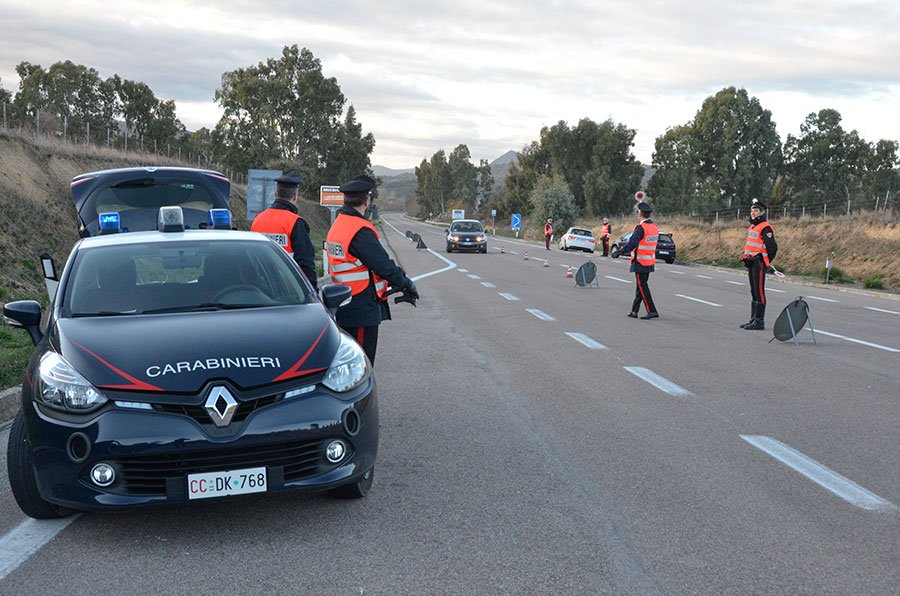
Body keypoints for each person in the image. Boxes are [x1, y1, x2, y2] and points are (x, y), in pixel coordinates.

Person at [326, 175, 418, 364]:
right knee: (361, 364)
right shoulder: (359, 229)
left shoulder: (338, 224)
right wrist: (406, 284)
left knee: (347, 361)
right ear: (366, 201)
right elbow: (383, 266)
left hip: (343, 301)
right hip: (361, 306)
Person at [250, 174, 318, 292]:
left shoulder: (258, 219)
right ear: (295, 196)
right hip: (289, 290)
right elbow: (305, 263)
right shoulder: (295, 222)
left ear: (275, 194)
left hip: (261, 288)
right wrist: (312, 291)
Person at [612, 202, 659, 319]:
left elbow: (632, 243)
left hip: (640, 261)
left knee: (642, 287)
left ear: (640, 214)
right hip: (649, 261)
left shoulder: (641, 228)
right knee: (640, 287)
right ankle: (634, 311)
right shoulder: (654, 227)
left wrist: (619, 252)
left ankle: (652, 310)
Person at [740, 198, 778, 330]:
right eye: (752, 211)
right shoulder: (753, 226)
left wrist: (764, 261)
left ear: (761, 213)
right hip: (751, 262)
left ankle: (759, 321)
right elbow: (751, 244)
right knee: (753, 291)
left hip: (758, 263)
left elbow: (772, 248)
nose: (753, 213)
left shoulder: (765, 227)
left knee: (759, 291)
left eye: (755, 211)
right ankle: (753, 319)